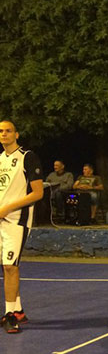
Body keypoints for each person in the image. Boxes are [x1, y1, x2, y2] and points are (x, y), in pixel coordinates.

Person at [0, 120, 44, 333]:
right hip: (1, 219)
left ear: (16, 134)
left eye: (8, 130)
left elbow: (38, 193)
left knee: (10, 266)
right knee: (5, 265)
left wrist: (8, 208)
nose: (4, 134)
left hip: (17, 219)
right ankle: (17, 311)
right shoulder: (0, 159)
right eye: (1, 131)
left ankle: (9, 316)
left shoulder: (28, 157)